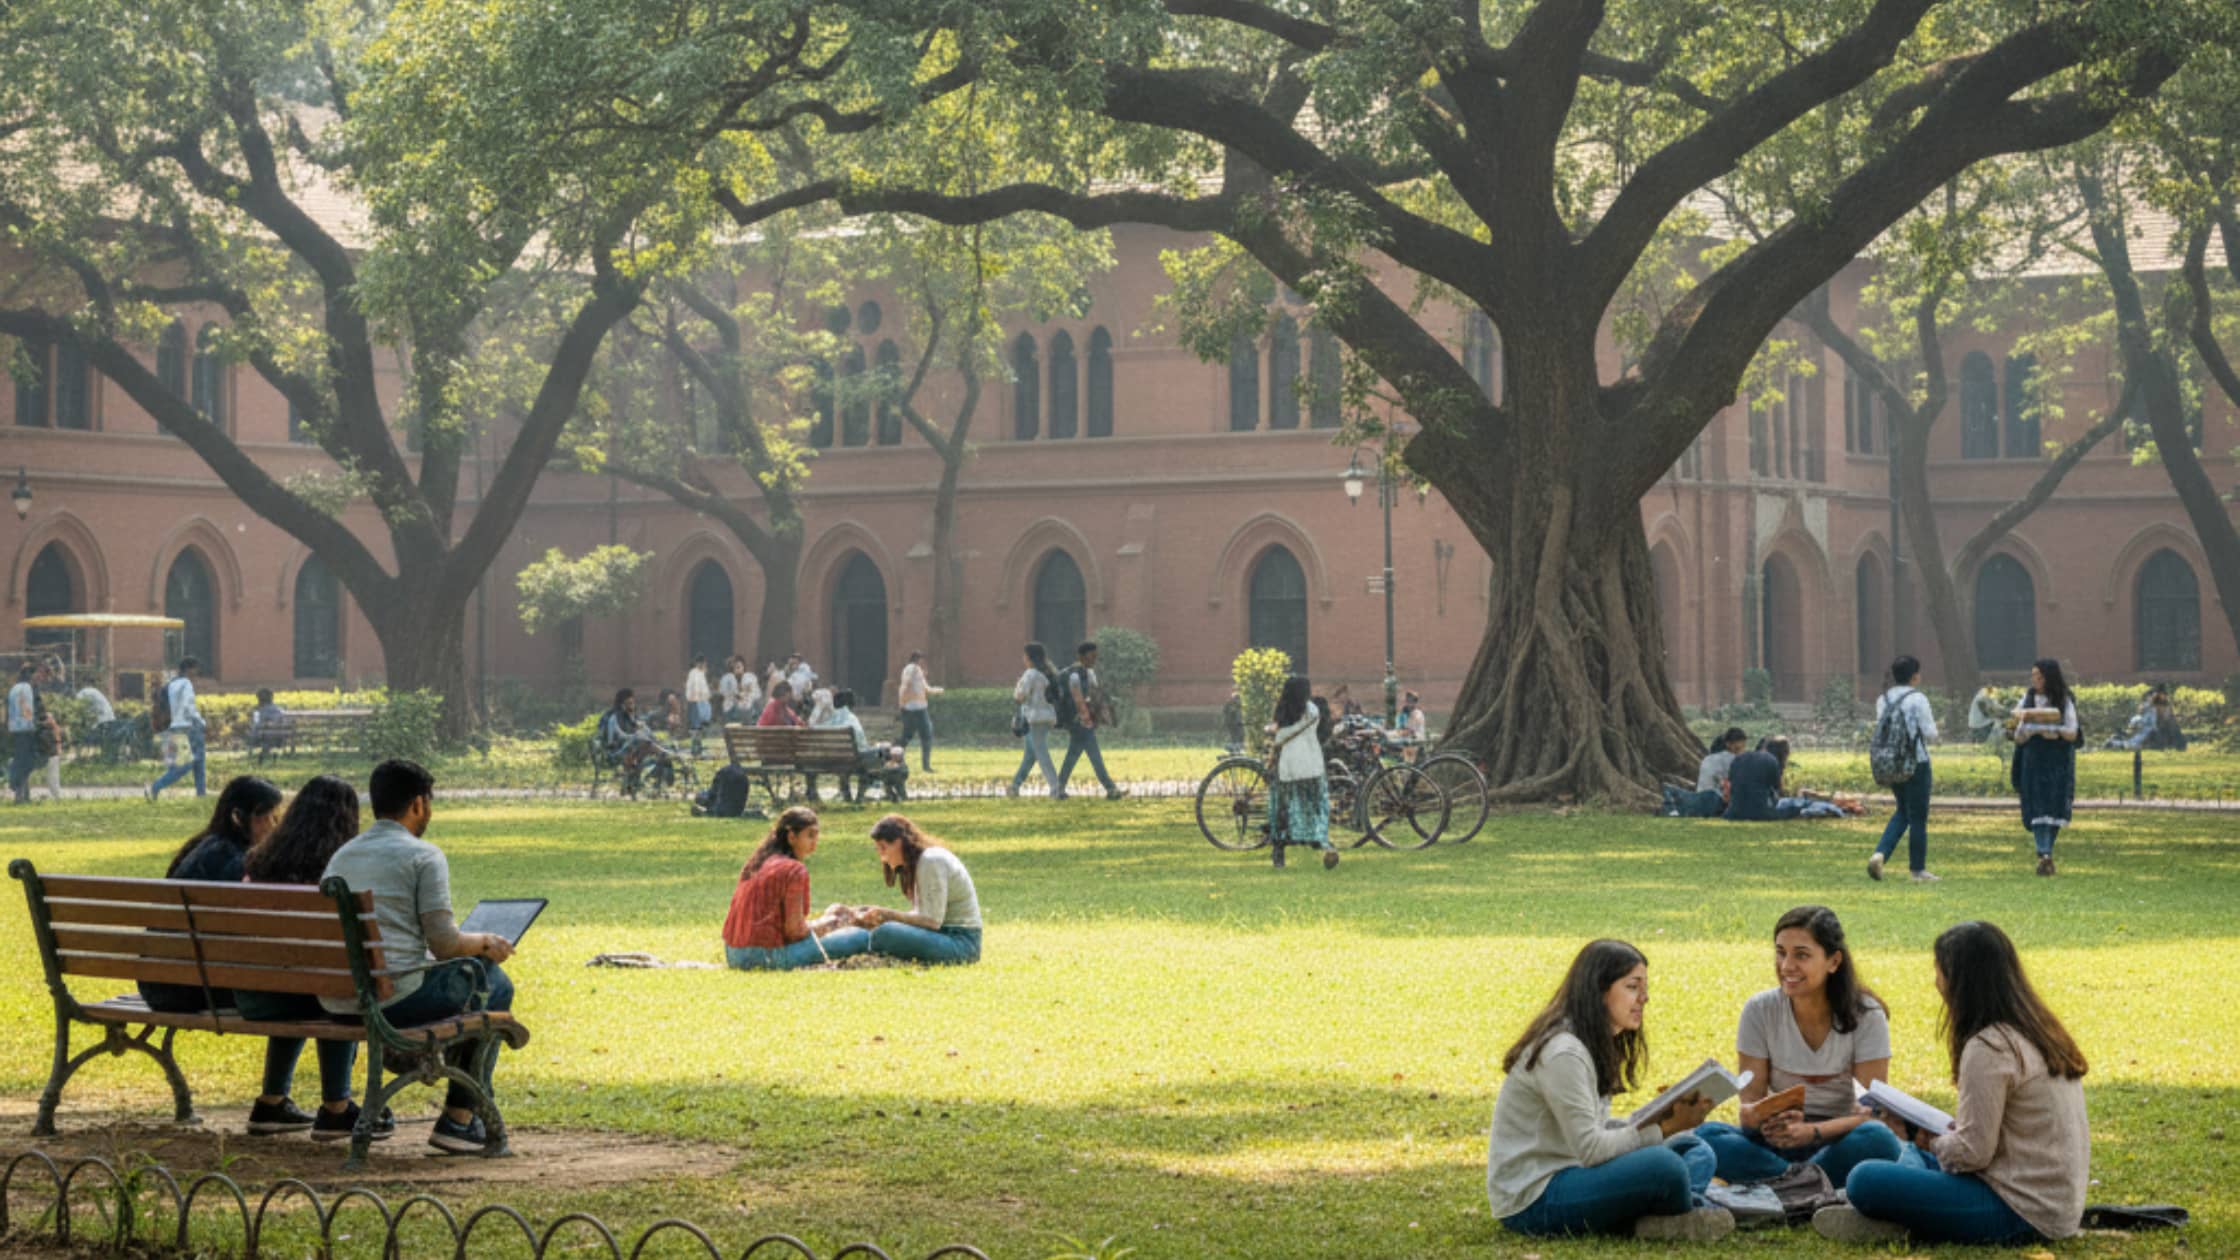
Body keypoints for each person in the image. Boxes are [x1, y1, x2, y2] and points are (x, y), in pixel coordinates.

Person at [1815, 921, 2088, 1245]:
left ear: (1960, 981)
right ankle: (1895, 1213)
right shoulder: (2034, 1031)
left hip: (2017, 1210)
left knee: (1864, 1178)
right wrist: (1931, 1138)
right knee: (1907, 1155)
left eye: (1939, 970)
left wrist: (1924, 1137)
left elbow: (1973, 1154)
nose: (1936, 982)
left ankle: (1887, 1216)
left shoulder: (1989, 1047)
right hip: (2049, 1204)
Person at [321, 759, 518, 1154]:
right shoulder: (423, 856)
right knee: (493, 983)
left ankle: (456, 1111)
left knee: (473, 979)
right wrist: (483, 942)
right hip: (391, 999)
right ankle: (458, 1120)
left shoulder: (343, 856)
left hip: (336, 999)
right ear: (417, 804)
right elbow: (445, 943)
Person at [135, 776, 348, 1137]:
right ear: (239, 817)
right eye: (268, 817)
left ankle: (273, 1101)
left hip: (162, 981)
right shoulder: (235, 864)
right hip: (196, 987)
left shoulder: (201, 848)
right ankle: (329, 1105)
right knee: (315, 991)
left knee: (296, 989)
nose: (275, 827)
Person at [1486, 939, 1732, 1241]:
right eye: (1632, 987)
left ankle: (1663, 1215)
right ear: (1599, 991)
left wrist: (1662, 1124)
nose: (1645, 998)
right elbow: (1591, 1149)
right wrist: (1661, 1130)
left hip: (1578, 1171)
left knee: (1695, 1147)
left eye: (1644, 988)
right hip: (1536, 1197)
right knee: (1664, 1166)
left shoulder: (1592, 1041)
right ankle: (1680, 1211)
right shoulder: (1564, 1053)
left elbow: (1596, 1130)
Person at [1695, 907, 1904, 1188]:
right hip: (1777, 1143)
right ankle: (1808, 1186)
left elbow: (1871, 1113)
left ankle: (1783, 1185)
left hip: (1838, 1140)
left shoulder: (1867, 1015)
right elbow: (1750, 1105)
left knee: (1878, 1139)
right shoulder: (1759, 1010)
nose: (1786, 966)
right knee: (1707, 1137)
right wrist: (1763, 1120)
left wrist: (1812, 1132)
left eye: (1801, 955)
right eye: (1781, 952)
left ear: (1833, 961)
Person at [237, 774, 390, 1142]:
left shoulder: (259, 862)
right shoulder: (335, 874)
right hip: (304, 992)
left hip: (253, 994)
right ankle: (337, 1108)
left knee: (309, 981)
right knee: (336, 984)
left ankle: (271, 1100)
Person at [721, 807, 872, 970]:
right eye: (810, 835)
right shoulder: (794, 870)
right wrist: (830, 923)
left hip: (734, 955)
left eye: (817, 835)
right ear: (792, 836)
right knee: (861, 937)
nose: (815, 842)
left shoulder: (757, 863)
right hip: (768, 957)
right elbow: (794, 931)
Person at [849, 814, 982, 964]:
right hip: (943, 936)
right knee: (868, 932)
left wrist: (887, 915)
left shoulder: (931, 860)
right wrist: (877, 915)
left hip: (961, 943)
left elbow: (932, 921)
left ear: (900, 843)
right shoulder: (921, 862)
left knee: (885, 933)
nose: (881, 856)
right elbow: (923, 916)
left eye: (884, 847)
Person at [1867, 655, 1939, 883]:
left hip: (1891, 763)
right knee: (1917, 816)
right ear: (1914, 675)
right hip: (1916, 762)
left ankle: (1880, 853)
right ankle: (1917, 870)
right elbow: (1929, 733)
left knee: (1902, 811)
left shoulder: (1883, 699)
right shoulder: (1918, 699)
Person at [2010, 658, 2079, 877]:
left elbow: (2072, 732)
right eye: (2033, 676)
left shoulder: (2064, 700)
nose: (2035, 681)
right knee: (2037, 806)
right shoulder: (2027, 699)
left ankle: (2046, 853)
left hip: (2057, 760)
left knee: (2054, 806)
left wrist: (2055, 731)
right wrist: (2028, 730)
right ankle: (2045, 853)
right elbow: (2016, 734)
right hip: (2034, 759)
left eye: (2039, 676)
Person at [1269, 675, 1339, 869]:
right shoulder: (1313, 710)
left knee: (1282, 810)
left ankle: (1279, 852)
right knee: (1315, 806)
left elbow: (1278, 736)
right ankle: (1321, 841)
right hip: (1311, 764)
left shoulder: (1282, 711)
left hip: (1288, 766)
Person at [1056, 641, 1126, 801]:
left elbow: (1096, 694)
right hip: (1078, 721)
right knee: (1094, 755)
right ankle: (1111, 789)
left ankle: (1058, 788)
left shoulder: (1089, 673)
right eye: (1091, 656)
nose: (1094, 659)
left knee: (1073, 755)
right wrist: (1086, 719)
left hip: (1083, 720)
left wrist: (1106, 711)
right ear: (1081, 656)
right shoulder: (1074, 675)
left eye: (1096, 656)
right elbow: (1078, 698)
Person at [821, 688, 906, 803]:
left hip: (836, 760)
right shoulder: (851, 719)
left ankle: (850, 794)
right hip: (859, 760)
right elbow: (861, 746)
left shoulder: (830, 720)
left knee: (884, 750)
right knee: (891, 752)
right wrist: (881, 747)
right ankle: (898, 791)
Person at [147, 657, 209, 800]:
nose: (197, 676)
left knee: (198, 763)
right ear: (189, 669)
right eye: (196, 672)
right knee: (186, 765)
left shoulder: (170, 684)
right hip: (189, 727)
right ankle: (156, 786)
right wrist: (201, 722)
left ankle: (202, 795)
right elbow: (189, 706)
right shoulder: (186, 683)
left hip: (173, 727)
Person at [1008, 642, 1062, 799]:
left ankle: (1056, 788)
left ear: (1029, 657)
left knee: (1042, 755)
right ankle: (1015, 785)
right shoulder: (1046, 673)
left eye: (1024, 655)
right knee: (1030, 756)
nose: (1023, 658)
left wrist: (1017, 686)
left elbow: (1020, 696)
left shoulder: (1030, 674)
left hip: (1033, 719)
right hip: (1045, 717)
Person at [896, 651, 942, 772]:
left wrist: (937, 691)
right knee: (919, 736)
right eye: (923, 662)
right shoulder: (912, 668)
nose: (925, 666)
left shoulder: (917, 671)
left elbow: (926, 689)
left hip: (919, 708)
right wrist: (902, 701)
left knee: (911, 736)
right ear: (918, 660)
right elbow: (905, 684)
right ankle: (896, 759)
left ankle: (923, 765)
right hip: (914, 709)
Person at [1721, 737, 1784, 822]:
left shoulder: (1738, 758)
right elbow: (1778, 788)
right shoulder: (1771, 759)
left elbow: (1730, 785)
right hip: (1760, 813)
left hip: (1733, 813)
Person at [11, 663, 45, 804]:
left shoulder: (16, 688)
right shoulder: (27, 689)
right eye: (38, 673)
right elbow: (30, 711)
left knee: (22, 762)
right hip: (27, 730)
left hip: (16, 730)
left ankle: (24, 795)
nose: (40, 676)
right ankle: (20, 796)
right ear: (31, 674)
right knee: (25, 763)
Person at [683, 655, 712, 755]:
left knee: (699, 727)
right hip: (695, 702)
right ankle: (695, 749)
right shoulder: (694, 673)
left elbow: (704, 689)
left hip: (700, 702)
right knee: (696, 727)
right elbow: (695, 688)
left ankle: (698, 747)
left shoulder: (700, 673)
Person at [249, 688, 290, 758]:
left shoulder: (258, 711)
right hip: (281, 736)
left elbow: (256, 725)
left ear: (259, 699)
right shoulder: (278, 709)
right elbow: (285, 722)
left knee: (259, 733)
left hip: (263, 736)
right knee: (266, 732)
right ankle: (266, 749)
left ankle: (263, 750)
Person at [1219, 691, 1247, 756]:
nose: (1237, 700)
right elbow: (1225, 712)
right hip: (1231, 724)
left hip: (1239, 724)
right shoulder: (1229, 704)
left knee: (1240, 737)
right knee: (1233, 737)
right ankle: (1234, 751)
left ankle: (1239, 750)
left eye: (1238, 698)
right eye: (1235, 698)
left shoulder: (1240, 705)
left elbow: (1241, 714)